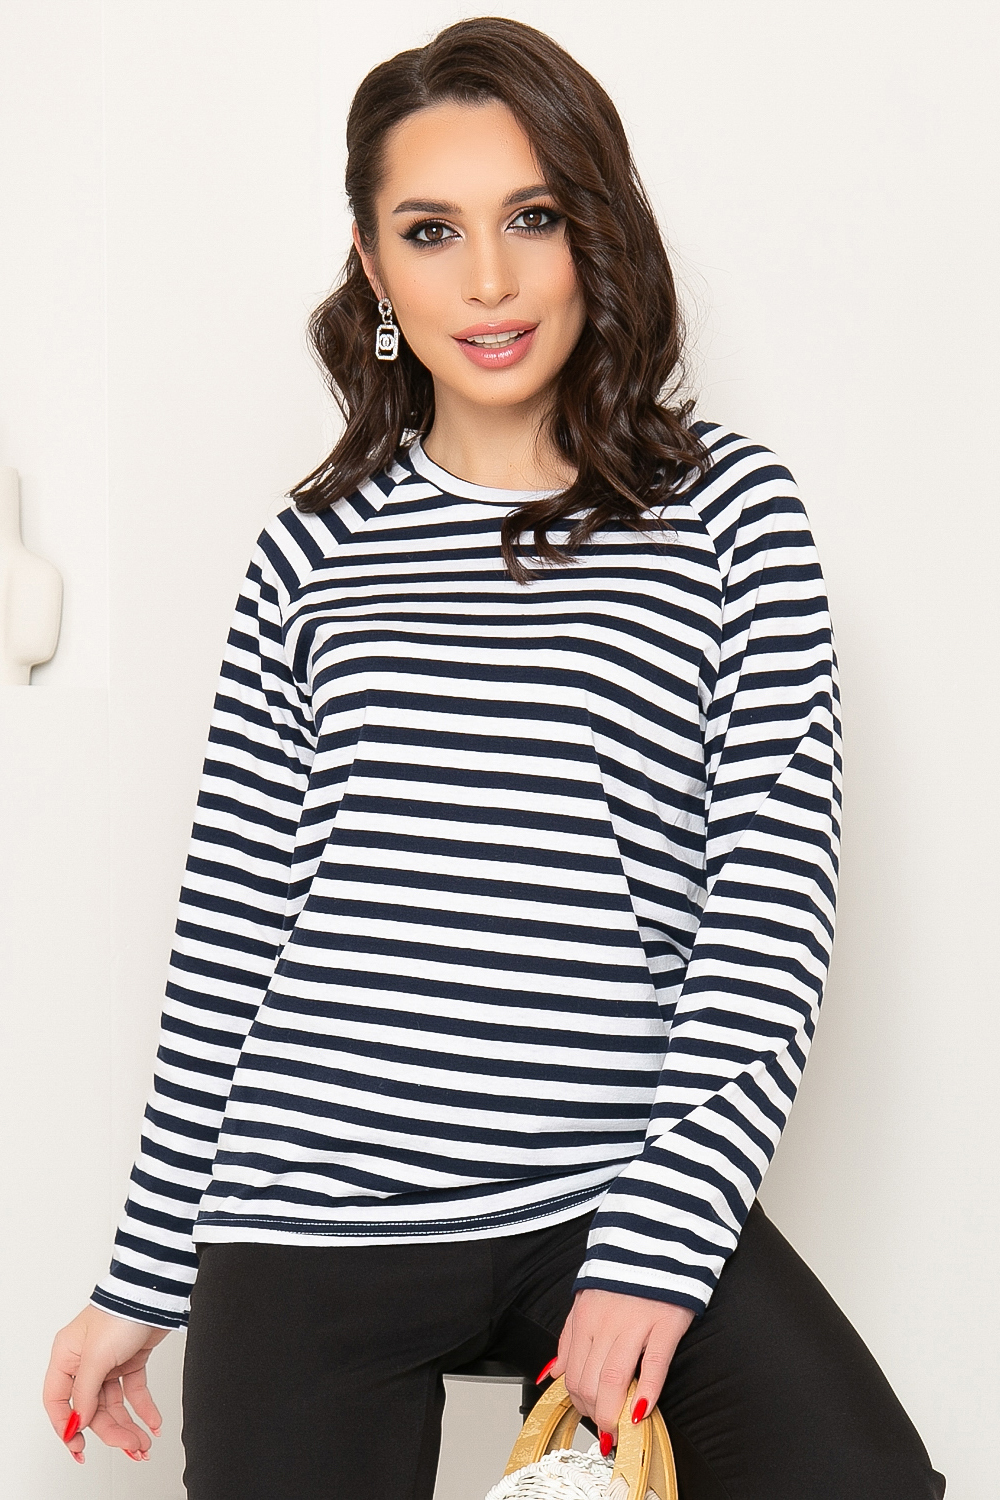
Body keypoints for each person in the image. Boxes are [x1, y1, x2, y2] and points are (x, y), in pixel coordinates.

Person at [43, 17, 945, 1500]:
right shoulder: (309, 551)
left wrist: (658, 1244)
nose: (488, 281)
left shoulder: (728, 514)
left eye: (532, 217)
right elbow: (233, 929)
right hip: (313, 1200)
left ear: (595, 228)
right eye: (430, 230)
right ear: (372, 263)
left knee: (859, 1478)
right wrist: (142, 1272)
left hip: (607, 1182)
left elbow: (769, 906)